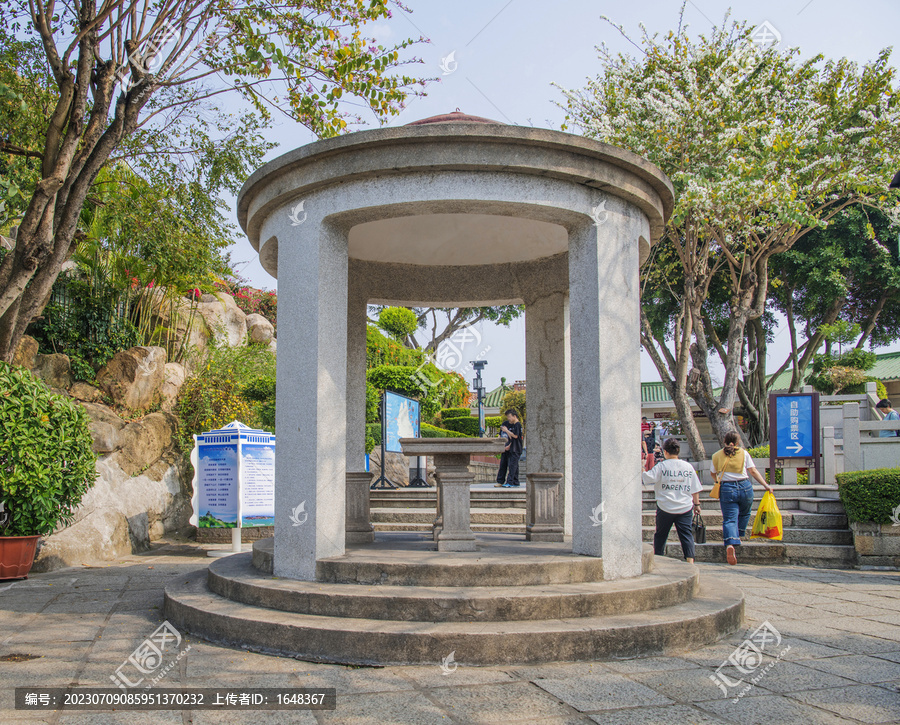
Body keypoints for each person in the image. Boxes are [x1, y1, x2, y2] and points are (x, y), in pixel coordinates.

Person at [711, 431, 773, 566]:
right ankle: (737, 536)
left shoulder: (716, 456)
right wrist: (765, 485)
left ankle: (730, 543)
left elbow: (713, 473)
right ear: (737, 442)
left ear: (724, 441)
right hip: (745, 486)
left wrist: (718, 481)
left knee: (729, 518)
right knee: (745, 513)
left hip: (727, 488)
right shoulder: (744, 453)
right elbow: (753, 471)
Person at [642, 437, 702, 563]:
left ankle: (658, 558)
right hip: (685, 507)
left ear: (665, 452)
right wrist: (697, 504)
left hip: (665, 506)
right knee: (686, 535)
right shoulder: (688, 467)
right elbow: (694, 488)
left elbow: (648, 478)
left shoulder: (662, 466)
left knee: (661, 535)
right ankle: (690, 560)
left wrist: (642, 468)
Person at [495, 409, 523, 488]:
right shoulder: (506, 424)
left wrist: (507, 431)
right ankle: (515, 481)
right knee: (508, 465)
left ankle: (510, 482)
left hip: (515, 448)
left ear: (514, 416)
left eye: (509, 417)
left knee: (512, 465)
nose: (508, 418)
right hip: (508, 448)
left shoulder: (517, 425)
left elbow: (515, 436)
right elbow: (510, 437)